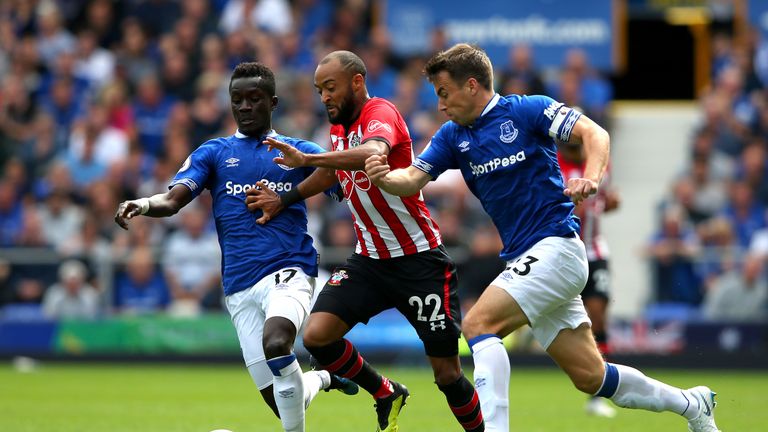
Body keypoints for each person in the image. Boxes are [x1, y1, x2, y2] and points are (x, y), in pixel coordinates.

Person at [364, 43, 721, 432]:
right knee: (591, 376)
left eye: (444, 93)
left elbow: (594, 132)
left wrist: (592, 178)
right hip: (525, 260)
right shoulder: (452, 136)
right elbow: (411, 180)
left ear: (471, 85)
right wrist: (382, 175)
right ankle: (691, 404)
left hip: (557, 247)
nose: (441, 104)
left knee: (479, 325)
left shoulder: (525, 110)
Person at [246, 50, 484, 432]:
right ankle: (385, 391)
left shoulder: (381, 113)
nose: (324, 96)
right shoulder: (338, 130)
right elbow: (331, 173)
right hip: (369, 261)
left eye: (330, 87)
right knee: (317, 337)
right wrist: (285, 199)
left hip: (418, 260)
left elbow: (373, 152)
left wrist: (309, 160)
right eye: (319, 89)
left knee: (446, 375)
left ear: (357, 82)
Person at [114, 62, 357, 432]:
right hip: (239, 285)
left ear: (272, 102)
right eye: (237, 99)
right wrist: (144, 204)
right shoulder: (214, 153)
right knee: (282, 399)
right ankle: (322, 379)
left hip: (289, 268)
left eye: (254, 99)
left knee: (277, 342)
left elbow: (345, 185)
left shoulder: (298, 151)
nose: (244, 106)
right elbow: (174, 199)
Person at [558, 140, 620, 418]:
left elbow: (603, 201)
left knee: (599, 313)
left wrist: (609, 203)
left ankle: (598, 394)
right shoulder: (554, 162)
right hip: (564, 251)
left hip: (595, 251)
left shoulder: (599, 163)